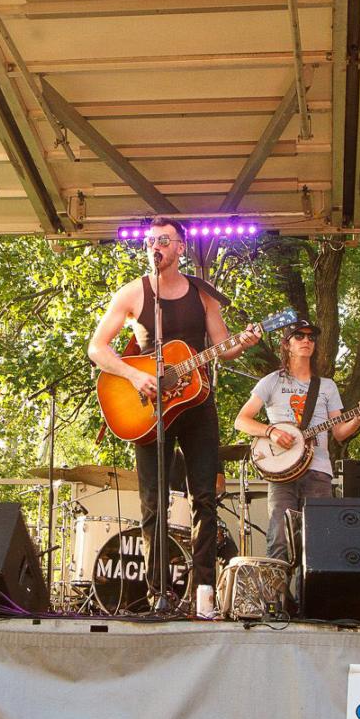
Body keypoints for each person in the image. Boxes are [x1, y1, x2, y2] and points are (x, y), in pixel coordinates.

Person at [87, 216, 260, 616]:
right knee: (153, 502)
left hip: (197, 406)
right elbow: (98, 348)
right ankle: (157, 593)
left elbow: (223, 346)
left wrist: (245, 341)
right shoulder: (133, 293)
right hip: (148, 411)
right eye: (150, 241)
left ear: (181, 247)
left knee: (205, 498)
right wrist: (134, 375)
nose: (155, 246)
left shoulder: (203, 295)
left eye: (164, 240)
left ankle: (202, 594)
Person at [233, 319, 360, 561]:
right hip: (281, 472)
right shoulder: (272, 381)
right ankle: (278, 598)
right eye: (299, 336)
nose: (307, 341)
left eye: (311, 338)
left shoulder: (327, 386)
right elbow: (241, 421)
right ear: (287, 344)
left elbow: (339, 432)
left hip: (318, 471)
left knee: (319, 542)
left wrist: (359, 419)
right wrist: (271, 432)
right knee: (279, 539)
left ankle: (312, 598)